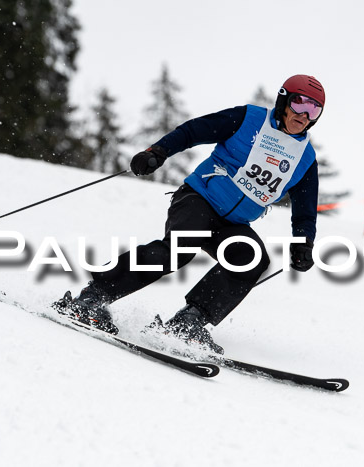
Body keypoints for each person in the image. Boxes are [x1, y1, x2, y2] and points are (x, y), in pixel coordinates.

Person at [53, 74, 325, 354]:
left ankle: (188, 321)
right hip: (199, 198)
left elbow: (305, 211)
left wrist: (304, 243)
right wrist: (157, 151)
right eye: (300, 103)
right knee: (177, 250)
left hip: (232, 223)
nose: (305, 114)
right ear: (283, 101)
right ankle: (91, 298)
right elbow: (195, 130)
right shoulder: (249, 118)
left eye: (314, 109)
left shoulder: (304, 158)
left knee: (250, 259)